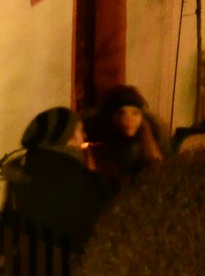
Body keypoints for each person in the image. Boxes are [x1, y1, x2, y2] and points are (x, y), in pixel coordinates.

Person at [0, 107, 111, 255]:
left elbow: (8, 233)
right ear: (66, 137)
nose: (84, 136)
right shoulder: (81, 180)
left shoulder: (19, 176)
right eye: (79, 130)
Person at [86, 85, 168, 190]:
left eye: (135, 113)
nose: (129, 119)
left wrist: (147, 135)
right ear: (112, 116)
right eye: (121, 113)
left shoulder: (152, 134)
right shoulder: (98, 138)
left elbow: (160, 170)